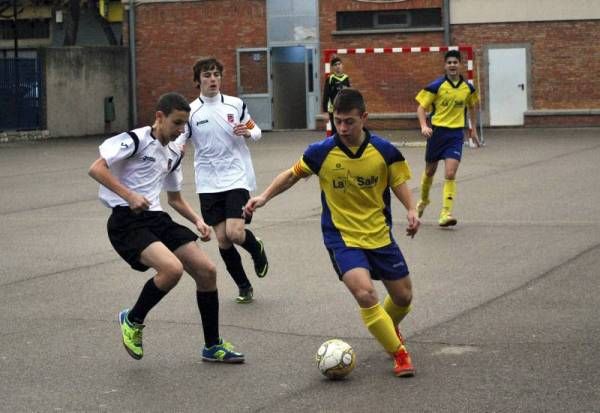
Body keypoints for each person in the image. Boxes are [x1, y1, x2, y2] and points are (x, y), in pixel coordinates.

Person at [245, 88, 420, 377]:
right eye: (337, 121)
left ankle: (388, 327)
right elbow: (291, 175)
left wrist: (411, 209)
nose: (342, 128)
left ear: (364, 117)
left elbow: (398, 181)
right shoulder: (322, 152)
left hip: (379, 234)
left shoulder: (385, 151)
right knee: (365, 294)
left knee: (403, 298)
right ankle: (399, 353)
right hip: (342, 236)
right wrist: (264, 197)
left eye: (349, 121)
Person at [88, 92, 244, 363]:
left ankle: (212, 346)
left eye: (185, 125)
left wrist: (197, 220)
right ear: (159, 117)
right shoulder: (135, 140)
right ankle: (133, 320)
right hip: (126, 219)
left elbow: (174, 198)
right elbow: (96, 169)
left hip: (156, 218)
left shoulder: (173, 153)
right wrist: (130, 196)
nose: (181, 130)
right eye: (177, 123)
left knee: (207, 271)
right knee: (171, 269)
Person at [176, 57, 268, 304]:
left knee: (235, 233)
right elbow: (179, 139)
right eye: (207, 75)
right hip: (207, 182)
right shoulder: (191, 111)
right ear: (198, 81)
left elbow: (257, 131)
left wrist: (248, 132)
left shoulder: (235, 105)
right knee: (224, 240)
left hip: (236, 176)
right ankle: (244, 286)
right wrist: (176, 149)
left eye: (216, 74)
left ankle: (256, 248)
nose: (212, 79)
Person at [415, 49, 480, 227]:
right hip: (437, 133)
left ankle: (445, 213)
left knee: (450, 173)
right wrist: (423, 126)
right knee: (430, 171)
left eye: (455, 62)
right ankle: (424, 200)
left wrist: (472, 128)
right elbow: (421, 108)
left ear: (460, 65)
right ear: (445, 66)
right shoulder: (436, 86)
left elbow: (474, 106)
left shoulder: (468, 88)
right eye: (449, 62)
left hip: (455, 135)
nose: (452, 65)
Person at [322, 56, 351, 136]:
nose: (338, 66)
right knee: (335, 130)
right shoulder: (330, 79)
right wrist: (325, 112)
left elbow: (349, 94)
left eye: (339, 64)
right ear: (332, 67)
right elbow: (326, 95)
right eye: (335, 65)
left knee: (345, 129)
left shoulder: (346, 78)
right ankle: (334, 146)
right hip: (334, 110)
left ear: (342, 65)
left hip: (344, 109)